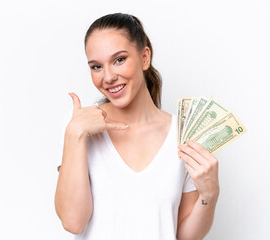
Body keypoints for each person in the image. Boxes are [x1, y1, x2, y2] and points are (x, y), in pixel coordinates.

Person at [54, 13, 220, 240]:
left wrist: (209, 193)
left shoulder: (183, 135)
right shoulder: (79, 127)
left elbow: (183, 236)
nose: (109, 76)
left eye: (119, 59)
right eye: (96, 66)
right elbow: (73, 222)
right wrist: (75, 133)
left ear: (144, 57)